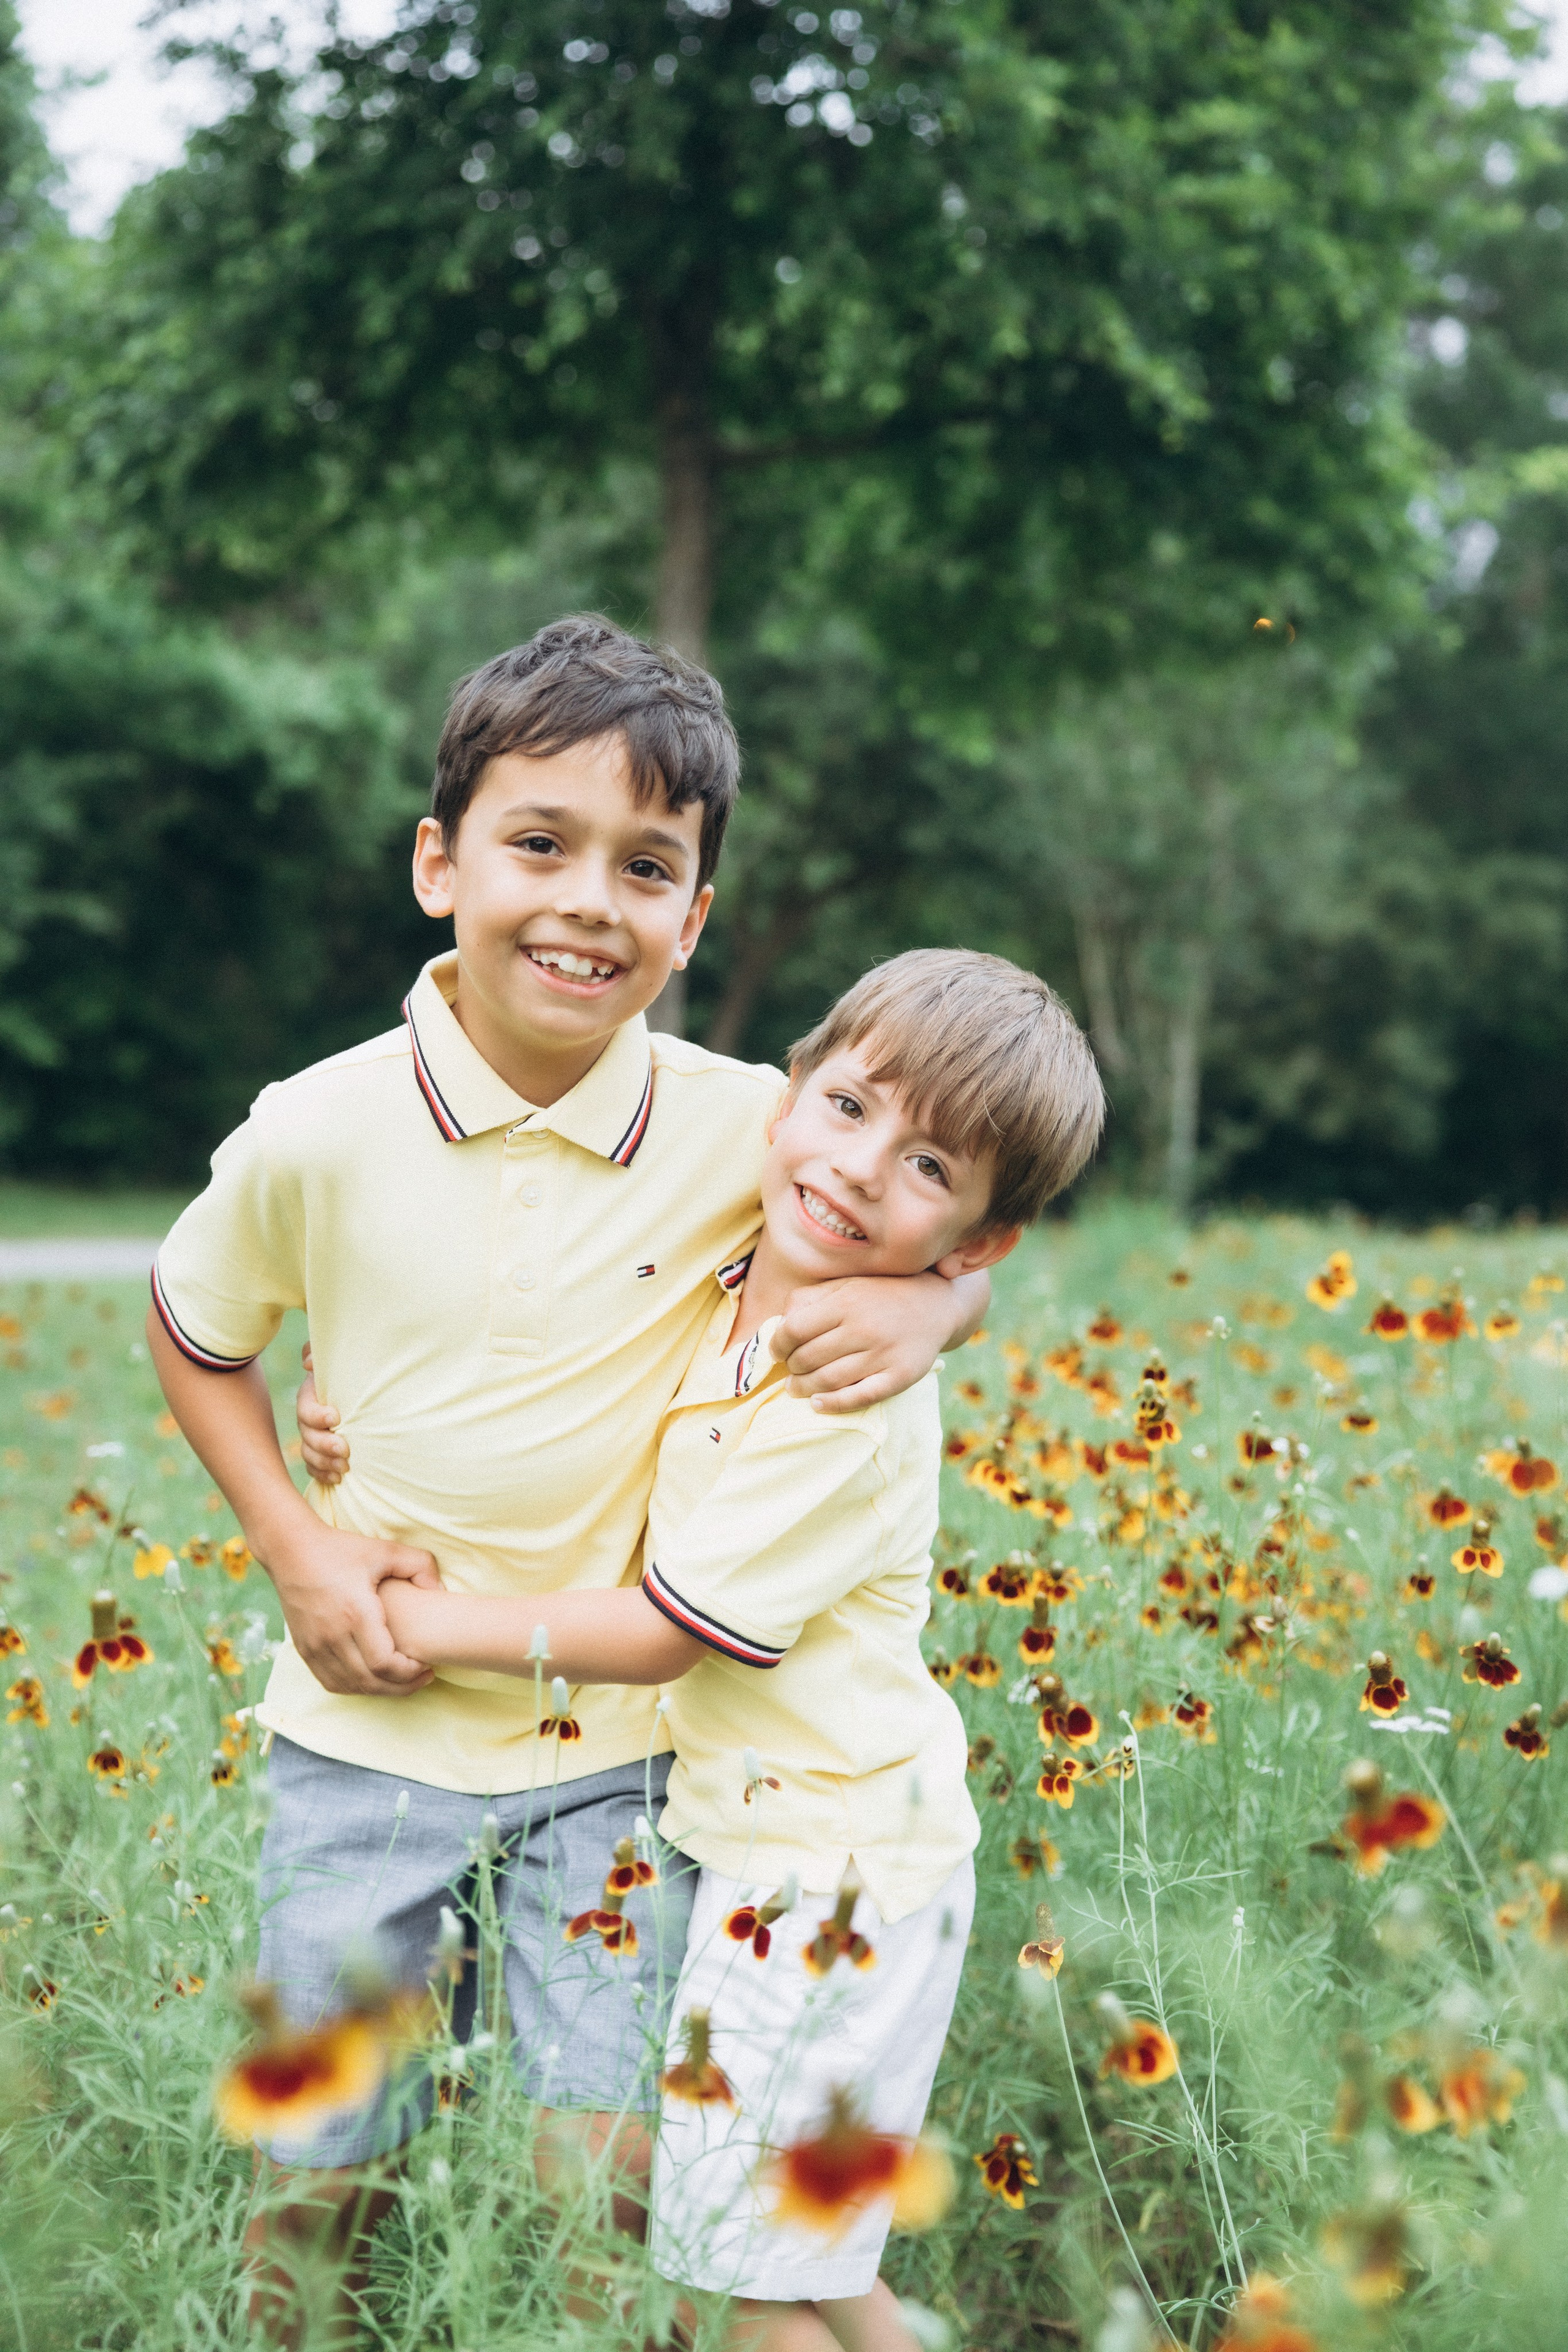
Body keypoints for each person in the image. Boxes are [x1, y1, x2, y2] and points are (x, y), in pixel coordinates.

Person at [146, 617, 990, 2346]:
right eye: (540, 845)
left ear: (694, 921)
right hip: (356, 1734)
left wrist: (934, 1299)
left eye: (648, 867)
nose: (588, 902)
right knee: (320, 2169)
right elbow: (192, 1330)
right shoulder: (318, 1128)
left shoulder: (745, 1124)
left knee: (602, 2178)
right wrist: (297, 1548)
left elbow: (921, 1186)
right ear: (439, 862)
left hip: (611, 1766)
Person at [354, 946, 1106, 2352]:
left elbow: (653, 1635)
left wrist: (411, 1627)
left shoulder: (836, 1399)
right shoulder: (748, 1249)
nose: (862, 1168)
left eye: (930, 1169)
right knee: (800, 2259)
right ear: (787, 1094)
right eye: (849, 1108)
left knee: (739, 2277)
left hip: (830, 1877)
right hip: (790, 1853)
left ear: (979, 1238)